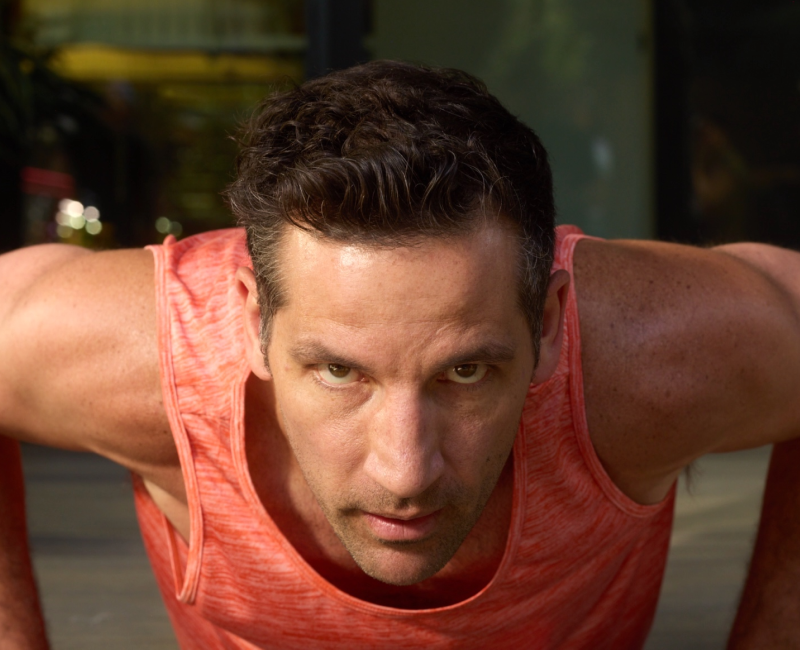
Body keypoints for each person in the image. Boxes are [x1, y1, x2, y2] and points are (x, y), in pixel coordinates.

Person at [0, 61, 798, 650]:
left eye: (465, 371)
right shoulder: (151, 365)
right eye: (340, 371)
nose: (405, 472)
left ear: (549, 325)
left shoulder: (648, 362)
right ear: (251, 322)